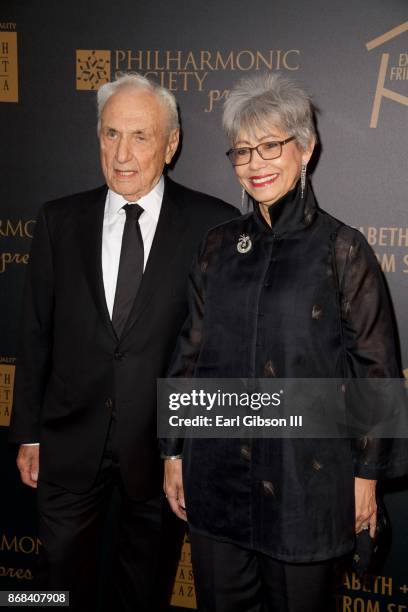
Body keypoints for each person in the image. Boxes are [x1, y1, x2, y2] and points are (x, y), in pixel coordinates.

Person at [162, 73, 408, 612]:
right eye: (243, 151)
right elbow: (191, 353)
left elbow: (377, 371)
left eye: (270, 145)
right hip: (217, 477)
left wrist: (367, 477)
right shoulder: (216, 246)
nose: (255, 163)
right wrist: (174, 452)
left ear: (306, 147)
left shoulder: (342, 250)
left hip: (306, 483)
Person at [9, 73, 238, 612]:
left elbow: (217, 353)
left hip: (162, 455)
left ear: (171, 143)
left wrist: (189, 446)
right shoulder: (58, 220)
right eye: (111, 134)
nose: (123, 154)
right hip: (66, 443)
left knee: (143, 591)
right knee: (51, 590)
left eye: (140, 136)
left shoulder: (214, 226)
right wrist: (28, 432)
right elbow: (35, 331)